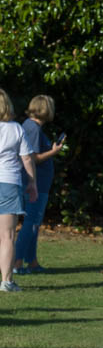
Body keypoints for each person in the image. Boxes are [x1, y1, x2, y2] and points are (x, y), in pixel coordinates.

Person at [15, 95, 65, 274]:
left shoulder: (31, 127)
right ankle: (17, 262)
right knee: (30, 222)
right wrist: (53, 152)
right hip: (34, 183)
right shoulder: (33, 129)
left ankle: (32, 261)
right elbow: (33, 158)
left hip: (38, 183)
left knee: (34, 222)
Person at [0, 89, 36, 292]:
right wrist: (32, 183)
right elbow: (27, 158)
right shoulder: (15, 129)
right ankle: (6, 281)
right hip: (8, 182)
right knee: (7, 236)